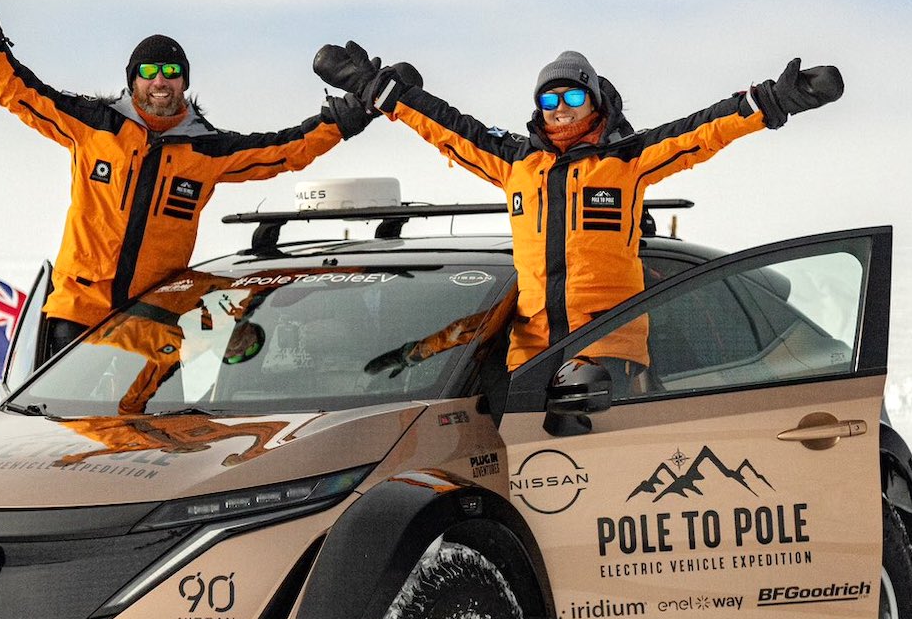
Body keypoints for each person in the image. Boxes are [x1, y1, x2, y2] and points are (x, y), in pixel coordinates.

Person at [0, 0, 372, 358]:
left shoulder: (206, 150)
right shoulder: (94, 125)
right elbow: (20, 93)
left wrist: (343, 120)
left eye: (171, 73)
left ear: (183, 83)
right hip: (78, 318)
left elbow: (283, 151)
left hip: (154, 317)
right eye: (148, 72)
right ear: (132, 80)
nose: (159, 81)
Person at [314, 42, 843, 375]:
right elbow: (447, 126)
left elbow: (702, 129)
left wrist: (775, 101)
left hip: (608, 351)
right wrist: (373, 88)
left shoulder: (625, 161)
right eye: (549, 101)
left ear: (595, 101)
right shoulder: (516, 162)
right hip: (533, 356)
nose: (560, 110)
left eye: (571, 98)